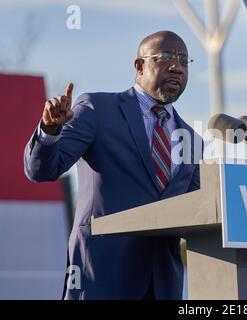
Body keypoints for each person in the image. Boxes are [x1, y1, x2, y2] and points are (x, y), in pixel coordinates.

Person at [24, 31, 202, 300]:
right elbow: (41, 170)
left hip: (162, 285)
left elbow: (198, 210)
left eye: (183, 60)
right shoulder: (97, 109)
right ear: (139, 66)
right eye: (165, 57)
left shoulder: (192, 139)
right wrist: (50, 129)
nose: (176, 66)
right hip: (100, 277)